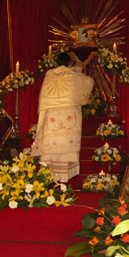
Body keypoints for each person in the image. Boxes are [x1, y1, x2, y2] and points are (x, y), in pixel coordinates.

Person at [31, 52, 93, 182]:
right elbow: (89, 82)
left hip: (51, 118)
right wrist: (77, 70)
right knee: (65, 151)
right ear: (70, 63)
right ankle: (64, 180)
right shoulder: (74, 76)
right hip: (68, 117)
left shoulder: (49, 75)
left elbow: (43, 98)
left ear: (56, 63)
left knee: (51, 150)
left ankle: (48, 179)